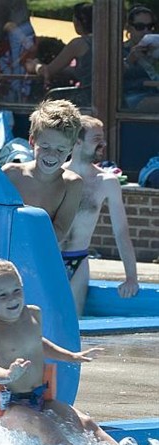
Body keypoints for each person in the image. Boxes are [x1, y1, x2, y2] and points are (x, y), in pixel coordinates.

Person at [0, 259, 117, 445]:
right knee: (46, 427)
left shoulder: (33, 314)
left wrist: (71, 356)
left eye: (16, 290)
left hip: (40, 398)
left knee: (86, 423)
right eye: (2, 295)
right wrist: (8, 374)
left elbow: (38, 343)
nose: (12, 299)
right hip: (12, 407)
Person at [62, 116, 139, 316]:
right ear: (77, 141)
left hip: (78, 260)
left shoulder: (107, 182)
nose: (103, 143)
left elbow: (121, 232)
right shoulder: (53, 175)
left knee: (75, 323)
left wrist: (131, 277)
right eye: (97, 138)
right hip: (48, 257)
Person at [2, 99, 83, 246]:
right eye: (45, 146)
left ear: (71, 149)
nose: (52, 155)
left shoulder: (71, 184)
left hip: (39, 254)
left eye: (60, 150)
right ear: (32, 141)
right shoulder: (11, 174)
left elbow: (59, 231)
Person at [26, 2, 92, 101]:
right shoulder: (107, 41)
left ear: (77, 22)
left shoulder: (78, 44)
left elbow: (48, 71)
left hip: (87, 100)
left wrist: (35, 66)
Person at [122, 5, 159, 111]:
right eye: (140, 27)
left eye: (150, 26)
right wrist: (130, 60)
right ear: (129, 28)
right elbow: (111, 79)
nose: (146, 31)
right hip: (131, 99)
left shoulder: (154, 50)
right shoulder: (120, 51)